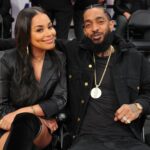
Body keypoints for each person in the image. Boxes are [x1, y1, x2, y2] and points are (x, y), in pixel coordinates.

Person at [55, 4, 150, 150]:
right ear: (84, 31)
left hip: (128, 139)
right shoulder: (74, 52)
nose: (94, 28)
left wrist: (138, 106)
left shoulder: (133, 57)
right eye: (88, 25)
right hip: (85, 139)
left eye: (100, 21)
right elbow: (42, 41)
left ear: (112, 25)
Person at [0, 6, 67, 150]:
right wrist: (18, 116)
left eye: (50, 26)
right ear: (26, 36)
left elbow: (60, 99)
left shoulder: (59, 58)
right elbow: (1, 105)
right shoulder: (7, 60)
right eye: (39, 30)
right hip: (7, 125)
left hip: (44, 127)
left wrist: (24, 112)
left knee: (25, 120)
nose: (50, 33)